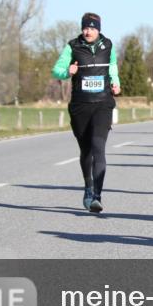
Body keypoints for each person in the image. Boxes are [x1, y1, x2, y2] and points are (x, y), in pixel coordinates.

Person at [52, 12, 121, 212]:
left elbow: (113, 67)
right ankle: (88, 187)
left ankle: (97, 196)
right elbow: (56, 70)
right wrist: (67, 72)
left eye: (92, 28)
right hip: (81, 106)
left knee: (98, 146)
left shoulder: (108, 45)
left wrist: (116, 83)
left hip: (103, 104)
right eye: (85, 28)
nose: (88, 31)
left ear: (98, 29)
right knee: (86, 151)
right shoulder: (72, 46)